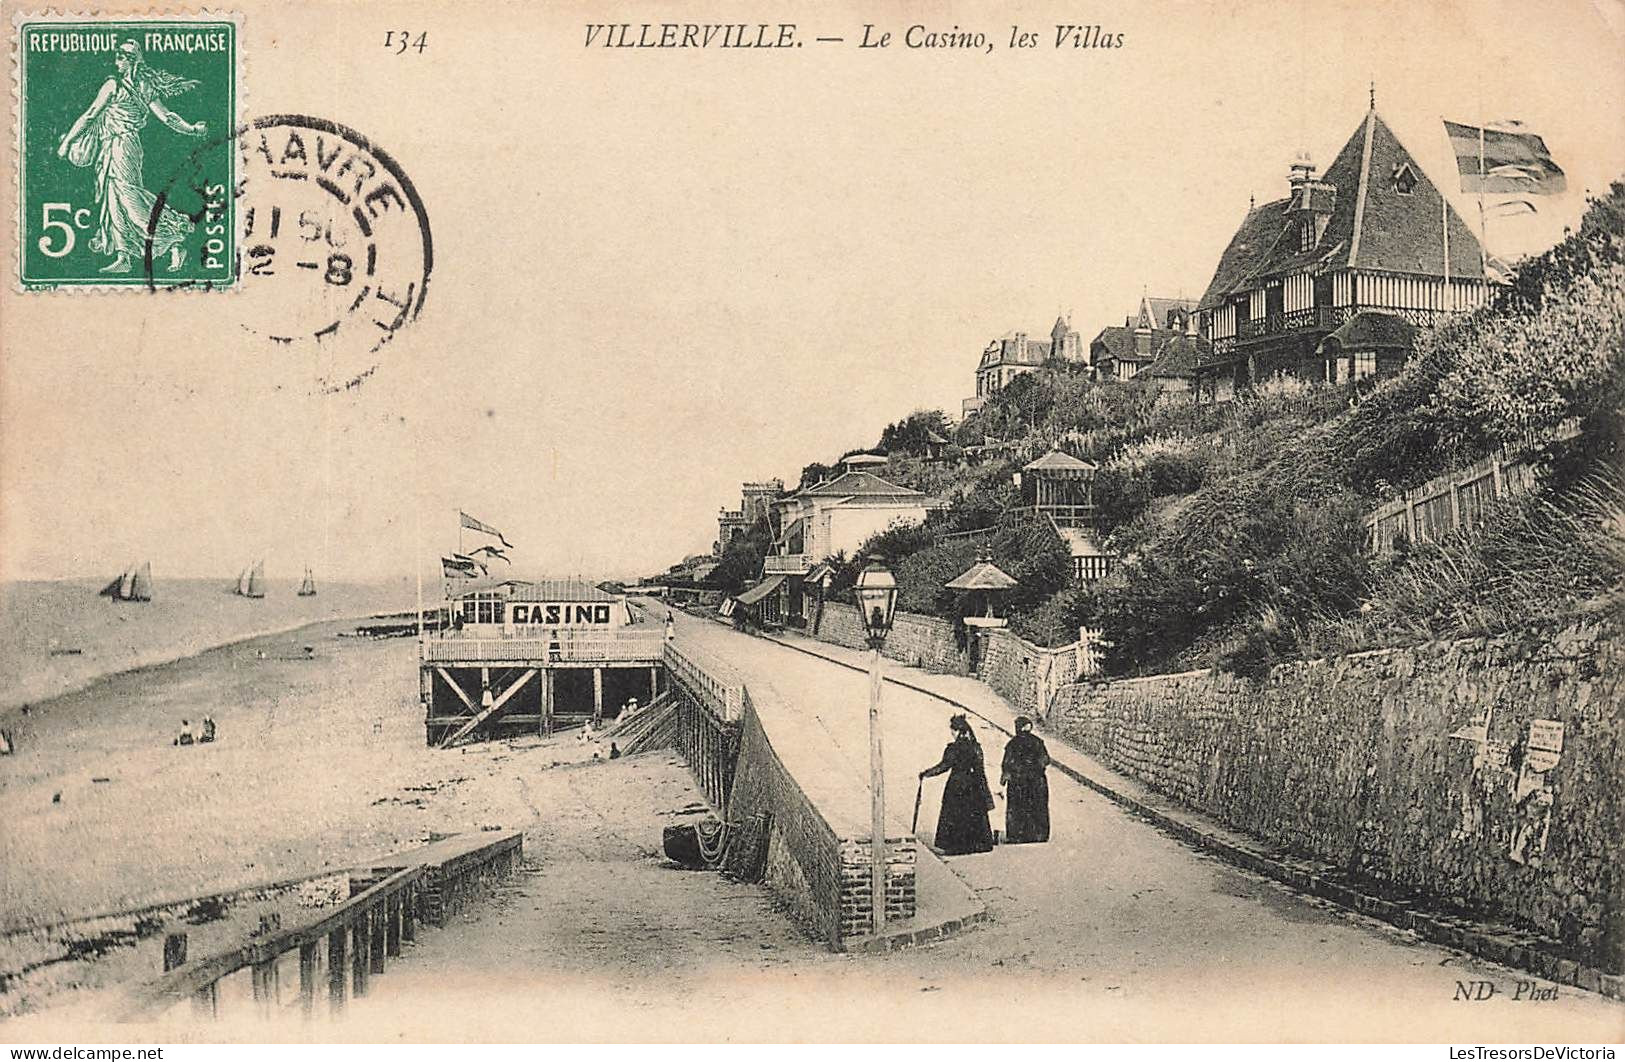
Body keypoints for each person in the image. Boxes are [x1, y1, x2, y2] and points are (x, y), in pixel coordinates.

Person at [55, 40, 208, 274]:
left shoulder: (116, 85)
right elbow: (168, 117)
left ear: (130, 60)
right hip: (113, 147)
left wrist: (67, 142)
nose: (116, 61)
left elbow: (90, 115)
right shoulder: (138, 85)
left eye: (120, 56)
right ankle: (123, 255)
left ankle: (174, 240)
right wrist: (192, 129)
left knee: (129, 199)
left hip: (123, 147)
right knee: (113, 200)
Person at [919, 714, 995, 855]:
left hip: (957, 784)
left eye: (953, 731)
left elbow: (944, 766)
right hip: (974, 785)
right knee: (973, 814)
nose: (952, 734)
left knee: (955, 813)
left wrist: (926, 773)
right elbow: (980, 771)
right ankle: (975, 843)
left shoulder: (954, 748)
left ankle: (956, 845)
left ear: (958, 731)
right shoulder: (976, 747)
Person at [1001, 716, 1051, 843]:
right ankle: (1038, 834)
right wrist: (1035, 769)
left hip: (1019, 782)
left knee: (1018, 807)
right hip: (1036, 781)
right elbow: (1045, 760)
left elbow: (1007, 763)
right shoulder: (1037, 742)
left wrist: (1007, 775)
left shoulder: (1012, 744)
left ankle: (1017, 835)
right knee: (1036, 806)